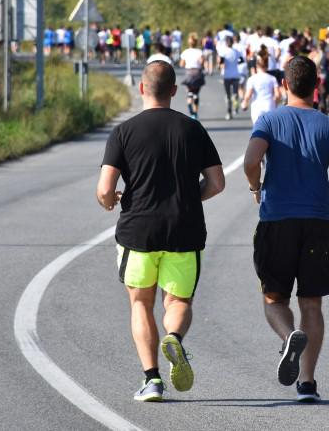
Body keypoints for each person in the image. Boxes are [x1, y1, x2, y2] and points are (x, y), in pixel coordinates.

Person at [95, 61, 226, 402]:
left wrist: (111, 200)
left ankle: (152, 380)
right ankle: (175, 339)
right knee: (178, 300)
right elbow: (217, 183)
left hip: (138, 231)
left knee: (141, 303)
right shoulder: (193, 129)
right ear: (174, 90)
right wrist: (188, 197)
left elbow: (105, 188)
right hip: (184, 228)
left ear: (142, 89)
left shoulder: (123, 132)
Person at [243, 55, 329, 402]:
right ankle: (307, 382)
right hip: (318, 222)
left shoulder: (269, 120)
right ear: (317, 86)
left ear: (284, 85)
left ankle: (287, 336)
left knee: (274, 298)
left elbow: (250, 161)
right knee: (312, 303)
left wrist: (256, 186)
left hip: (277, 220)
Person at [242, 47, 282, 125]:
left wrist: (245, 102)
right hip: (269, 105)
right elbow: (278, 95)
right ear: (267, 65)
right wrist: (275, 104)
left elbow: (248, 95)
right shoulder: (272, 78)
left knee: (258, 131)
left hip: (257, 107)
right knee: (270, 131)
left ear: (257, 65)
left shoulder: (252, 79)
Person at [179, 33, 206, 120]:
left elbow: (181, 64)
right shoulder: (199, 52)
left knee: (190, 93)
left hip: (189, 74)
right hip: (197, 73)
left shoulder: (185, 52)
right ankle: (195, 114)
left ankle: (191, 110)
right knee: (196, 93)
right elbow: (202, 63)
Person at [219, 34, 245, 120]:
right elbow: (241, 60)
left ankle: (229, 112)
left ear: (226, 43)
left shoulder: (223, 51)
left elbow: (221, 62)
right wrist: (235, 63)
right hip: (235, 74)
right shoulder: (236, 51)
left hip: (226, 75)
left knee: (227, 95)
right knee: (235, 93)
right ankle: (235, 104)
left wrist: (221, 66)